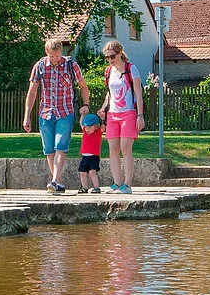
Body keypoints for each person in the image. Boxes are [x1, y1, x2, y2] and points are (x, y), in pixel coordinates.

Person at [21, 38, 89, 194]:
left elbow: (83, 86)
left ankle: (55, 180)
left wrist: (86, 104)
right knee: (49, 149)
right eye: (52, 56)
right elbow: (32, 92)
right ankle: (57, 182)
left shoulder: (71, 65)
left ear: (61, 52)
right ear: (47, 53)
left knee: (61, 146)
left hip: (65, 111)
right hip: (46, 112)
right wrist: (27, 116)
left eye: (57, 56)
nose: (55, 59)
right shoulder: (39, 67)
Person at [99, 39, 142, 193]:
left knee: (125, 148)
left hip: (129, 113)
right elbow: (110, 94)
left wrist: (140, 115)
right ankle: (116, 183)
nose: (110, 59)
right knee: (113, 148)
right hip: (113, 114)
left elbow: (138, 92)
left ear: (119, 54)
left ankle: (127, 184)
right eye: (107, 57)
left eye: (112, 56)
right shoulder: (108, 72)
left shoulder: (131, 69)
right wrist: (104, 108)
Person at [75, 113, 104, 193]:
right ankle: (84, 187)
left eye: (89, 127)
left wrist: (103, 117)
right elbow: (81, 122)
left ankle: (96, 187)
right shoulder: (85, 131)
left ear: (96, 126)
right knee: (82, 172)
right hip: (85, 156)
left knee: (92, 172)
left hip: (94, 156)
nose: (87, 129)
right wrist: (82, 115)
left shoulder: (98, 132)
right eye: (86, 127)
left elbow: (104, 126)